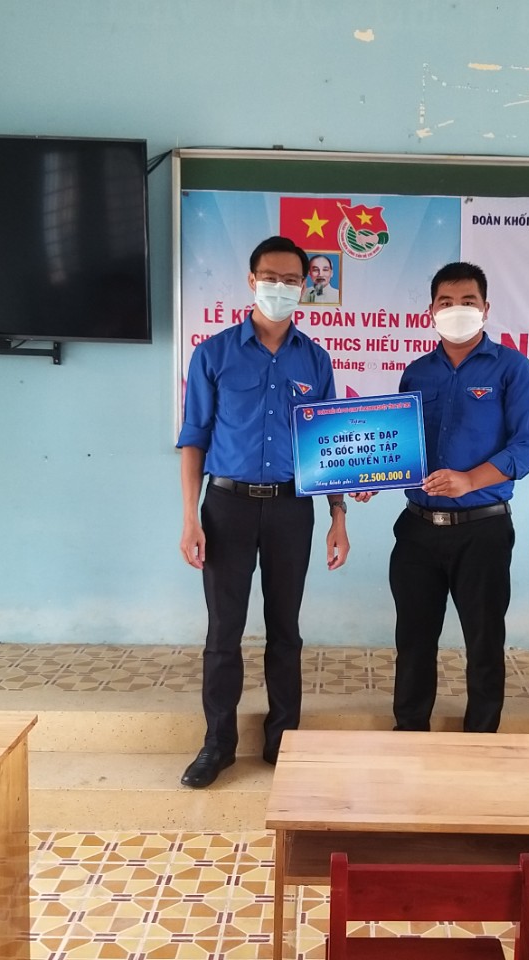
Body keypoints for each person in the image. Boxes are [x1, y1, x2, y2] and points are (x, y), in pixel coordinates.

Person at [177, 235, 350, 788]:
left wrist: (339, 516)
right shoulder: (213, 354)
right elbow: (194, 439)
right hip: (225, 507)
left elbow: (330, 445)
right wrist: (190, 517)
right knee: (223, 631)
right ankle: (217, 744)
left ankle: (283, 741)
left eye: (292, 280)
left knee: (285, 629)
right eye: (271, 278)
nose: (281, 287)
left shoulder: (315, 359)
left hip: (292, 509)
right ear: (252, 281)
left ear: (305, 288)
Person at [362, 261, 529, 733]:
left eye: (468, 301)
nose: (457, 310)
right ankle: (409, 733)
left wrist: (470, 480)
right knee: (413, 641)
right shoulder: (416, 374)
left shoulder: (512, 368)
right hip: (417, 530)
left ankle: (480, 741)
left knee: (484, 643)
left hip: (482, 530)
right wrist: (371, 475)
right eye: (446, 302)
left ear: (486, 309)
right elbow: (402, 447)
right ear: (431, 311)